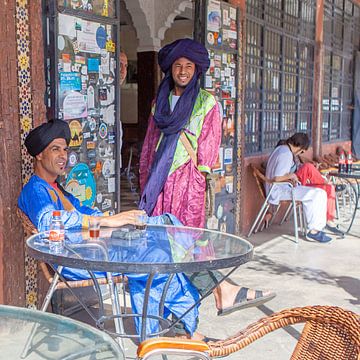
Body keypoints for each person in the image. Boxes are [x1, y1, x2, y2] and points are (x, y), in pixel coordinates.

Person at [18, 119, 201, 339]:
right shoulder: (35, 190)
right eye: (55, 149)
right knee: (156, 254)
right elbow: (49, 221)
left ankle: (166, 325)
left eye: (65, 150)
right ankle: (194, 304)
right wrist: (107, 223)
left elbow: (85, 213)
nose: (63, 156)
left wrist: (115, 219)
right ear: (39, 154)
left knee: (165, 223)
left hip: (95, 246)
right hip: (78, 258)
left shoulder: (57, 189)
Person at [139, 38, 275, 321]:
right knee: (165, 247)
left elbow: (208, 151)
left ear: (197, 70)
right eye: (178, 65)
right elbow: (149, 145)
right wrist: (147, 183)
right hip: (158, 185)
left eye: (189, 66)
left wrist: (194, 187)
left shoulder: (206, 102)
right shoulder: (158, 103)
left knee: (188, 244)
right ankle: (189, 309)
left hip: (187, 184)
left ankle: (206, 301)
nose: (183, 71)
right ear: (171, 69)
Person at [265, 133, 333, 243]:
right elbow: (277, 178)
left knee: (316, 193)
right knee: (318, 194)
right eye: (302, 151)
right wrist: (291, 176)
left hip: (277, 188)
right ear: (300, 148)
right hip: (279, 190)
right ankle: (314, 231)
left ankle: (315, 229)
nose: (300, 154)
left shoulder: (281, 149)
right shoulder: (286, 154)